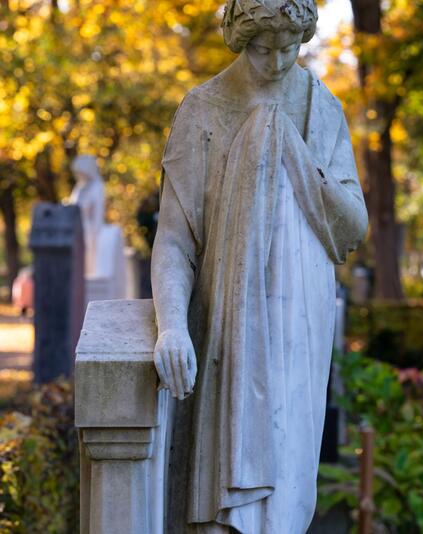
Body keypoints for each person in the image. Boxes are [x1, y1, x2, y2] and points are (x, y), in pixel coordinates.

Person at [150, 0, 368, 531]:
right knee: (226, 486)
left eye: (289, 49)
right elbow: (176, 240)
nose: (275, 62)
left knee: (290, 469)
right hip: (226, 323)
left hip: (302, 316)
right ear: (238, 40)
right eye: (261, 49)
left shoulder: (323, 107)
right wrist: (172, 326)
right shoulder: (203, 110)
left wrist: (295, 159)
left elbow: (354, 225)